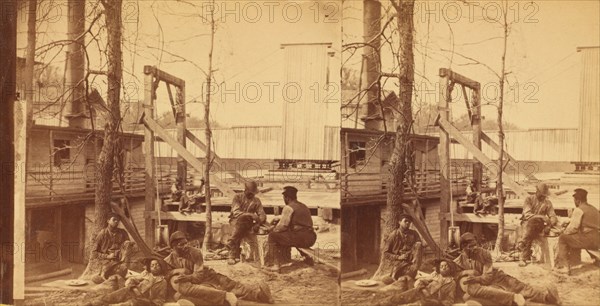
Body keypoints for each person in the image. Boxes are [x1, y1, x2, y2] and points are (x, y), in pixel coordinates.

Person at [164, 231, 273, 305]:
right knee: (199, 295)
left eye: (186, 243)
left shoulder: (195, 252)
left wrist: (187, 276)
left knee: (231, 285)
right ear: (173, 247)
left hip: (207, 276)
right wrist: (177, 270)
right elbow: (167, 276)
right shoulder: (169, 260)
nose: (185, 246)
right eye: (180, 245)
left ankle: (259, 295)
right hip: (197, 286)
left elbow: (199, 275)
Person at [454, 232, 560, 306]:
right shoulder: (459, 261)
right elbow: (455, 275)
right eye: (471, 246)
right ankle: (513, 298)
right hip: (481, 286)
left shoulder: (484, 253)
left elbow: (488, 277)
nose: (475, 248)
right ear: (463, 247)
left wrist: (476, 278)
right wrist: (467, 272)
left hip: (495, 277)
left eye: (475, 245)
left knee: (519, 286)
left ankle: (546, 298)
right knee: (480, 291)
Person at [265, 186, 317, 273]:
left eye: (284, 198)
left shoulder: (288, 207)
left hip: (301, 238)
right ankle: (307, 258)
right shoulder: (303, 206)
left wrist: (272, 229)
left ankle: (275, 265)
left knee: (273, 236)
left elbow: (283, 226)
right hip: (311, 237)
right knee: (292, 234)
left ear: (287, 198)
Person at [553, 188, 600, 275]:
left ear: (578, 200)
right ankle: (595, 260)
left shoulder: (579, 209)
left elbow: (573, 228)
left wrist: (562, 231)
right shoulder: (594, 209)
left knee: (563, 238)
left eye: (574, 200)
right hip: (597, 239)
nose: (574, 202)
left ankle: (564, 267)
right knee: (577, 237)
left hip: (588, 239)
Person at [86, 258, 169, 306]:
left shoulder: (162, 282)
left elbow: (160, 300)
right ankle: (91, 304)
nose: (155, 267)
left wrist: (146, 301)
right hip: (131, 291)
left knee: (126, 304)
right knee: (111, 297)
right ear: (150, 268)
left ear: (161, 267)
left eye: (157, 265)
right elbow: (133, 279)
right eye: (152, 265)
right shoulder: (146, 275)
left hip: (142, 300)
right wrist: (133, 287)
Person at [376, 259, 457, 306]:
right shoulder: (437, 276)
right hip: (420, 292)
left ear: (450, 268)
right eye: (441, 266)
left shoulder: (451, 283)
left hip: (430, 301)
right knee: (400, 297)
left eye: (446, 266)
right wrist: (422, 282)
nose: (443, 268)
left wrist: (437, 302)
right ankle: (380, 303)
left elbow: (450, 301)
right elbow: (425, 281)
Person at [517, 183, 557, 266]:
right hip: (527, 223)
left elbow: (553, 216)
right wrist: (542, 216)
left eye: (544, 195)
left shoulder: (547, 203)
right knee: (530, 227)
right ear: (537, 191)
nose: (543, 197)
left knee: (532, 228)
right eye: (541, 195)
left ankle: (522, 245)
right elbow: (527, 214)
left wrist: (549, 225)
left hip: (539, 225)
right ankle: (524, 256)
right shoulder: (529, 199)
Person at [227, 181, 266, 265]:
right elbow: (236, 212)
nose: (252, 195)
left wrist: (258, 224)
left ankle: (232, 246)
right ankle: (233, 254)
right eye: (250, 193)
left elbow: (262, 214)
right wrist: (250, 214)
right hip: (235, 220)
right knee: (240, 223)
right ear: (245, 189)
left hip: (248, 222)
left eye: (253, 193)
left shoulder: (256, 200)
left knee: (243, 224)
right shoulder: (237, 197)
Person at [380, 213, 422, 288]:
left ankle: (405, 280)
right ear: (399, 222)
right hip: (399, 263)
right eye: (405, 221)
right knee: (403, 279)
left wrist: (412, 253)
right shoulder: (394, 235)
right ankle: (399, 280)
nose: (408, 223)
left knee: (419, 245)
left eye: (409, 222)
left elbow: (419, 248)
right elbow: (385, 253)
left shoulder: (414, 234)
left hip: (412, 263)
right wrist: (398, 257)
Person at [92, 212, 131, 284]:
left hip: (120, 261)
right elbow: (94, 252)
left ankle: (112, 278)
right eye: (114, 220)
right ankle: (106, 277)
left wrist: (126, 246)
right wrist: (107, 256)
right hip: (106, 262)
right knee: (99, 277)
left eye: (118, 220)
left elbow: (128, 248)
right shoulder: (102, 234)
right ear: (108, 221)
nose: (116, 222)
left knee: (122, 270)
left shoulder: (123, 232)